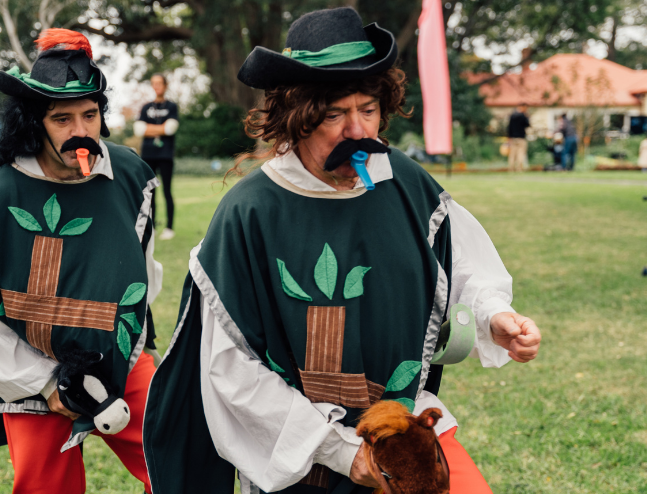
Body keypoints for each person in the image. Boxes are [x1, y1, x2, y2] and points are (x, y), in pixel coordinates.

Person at [142, 8, 542, 494]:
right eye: (334, 114)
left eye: (368, 109)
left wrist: (494, 315)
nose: (358, 131)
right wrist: (342, 452)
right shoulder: (248, 214)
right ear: (295, 118)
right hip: (299, 458)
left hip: (404, 439)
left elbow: (460, 268)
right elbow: (230, 371)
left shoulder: (407, 185)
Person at [0, 29, 164, 494]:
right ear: (33, 122)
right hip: (28, 370)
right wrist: (43, 385)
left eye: (90, 114)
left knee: (177, 457)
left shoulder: (132, 177)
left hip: (121, 355)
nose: (80, 131)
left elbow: (143, 273)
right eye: (62, 118)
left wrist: (130, 348)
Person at [135, 74, 179, 240]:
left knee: (167, 191)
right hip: (148, 155)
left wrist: (149, 129)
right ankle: (151, 227)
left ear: (165, 85)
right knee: (149, 193)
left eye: (159, 83)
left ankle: (169, 228)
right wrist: (161, 128)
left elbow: (171, 129)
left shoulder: (172, 106)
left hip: (165, 155)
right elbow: (139, 130)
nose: (156, 86)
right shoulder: (146, 107)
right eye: (154, 83)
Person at [506, 104, 530, 172]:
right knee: (521, 153)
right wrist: (527, 116)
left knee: (512, 154)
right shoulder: (523, 116)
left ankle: (511, 168)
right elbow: (528, 124)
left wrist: (509, 137)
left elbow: (509, 127)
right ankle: (519, 168)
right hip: (521, 137)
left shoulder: (512, 116)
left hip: (513, 137)